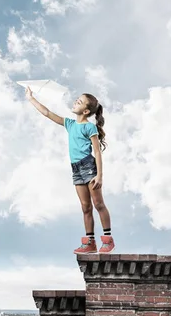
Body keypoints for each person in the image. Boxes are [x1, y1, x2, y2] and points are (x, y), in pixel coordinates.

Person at [25, 86, 115, 254]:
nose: (75, 102)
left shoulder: (90, 128)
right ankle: (90, 242)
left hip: (89, 167)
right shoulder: (70, 124)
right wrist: (31, 98)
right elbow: (47, 113)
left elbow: (97, 151)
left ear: (86, 111)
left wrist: (99, 175)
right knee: (85, 207)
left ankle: (108, 239)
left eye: (79, 102)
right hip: (76, 169)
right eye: (77, 99)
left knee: (98, 204)